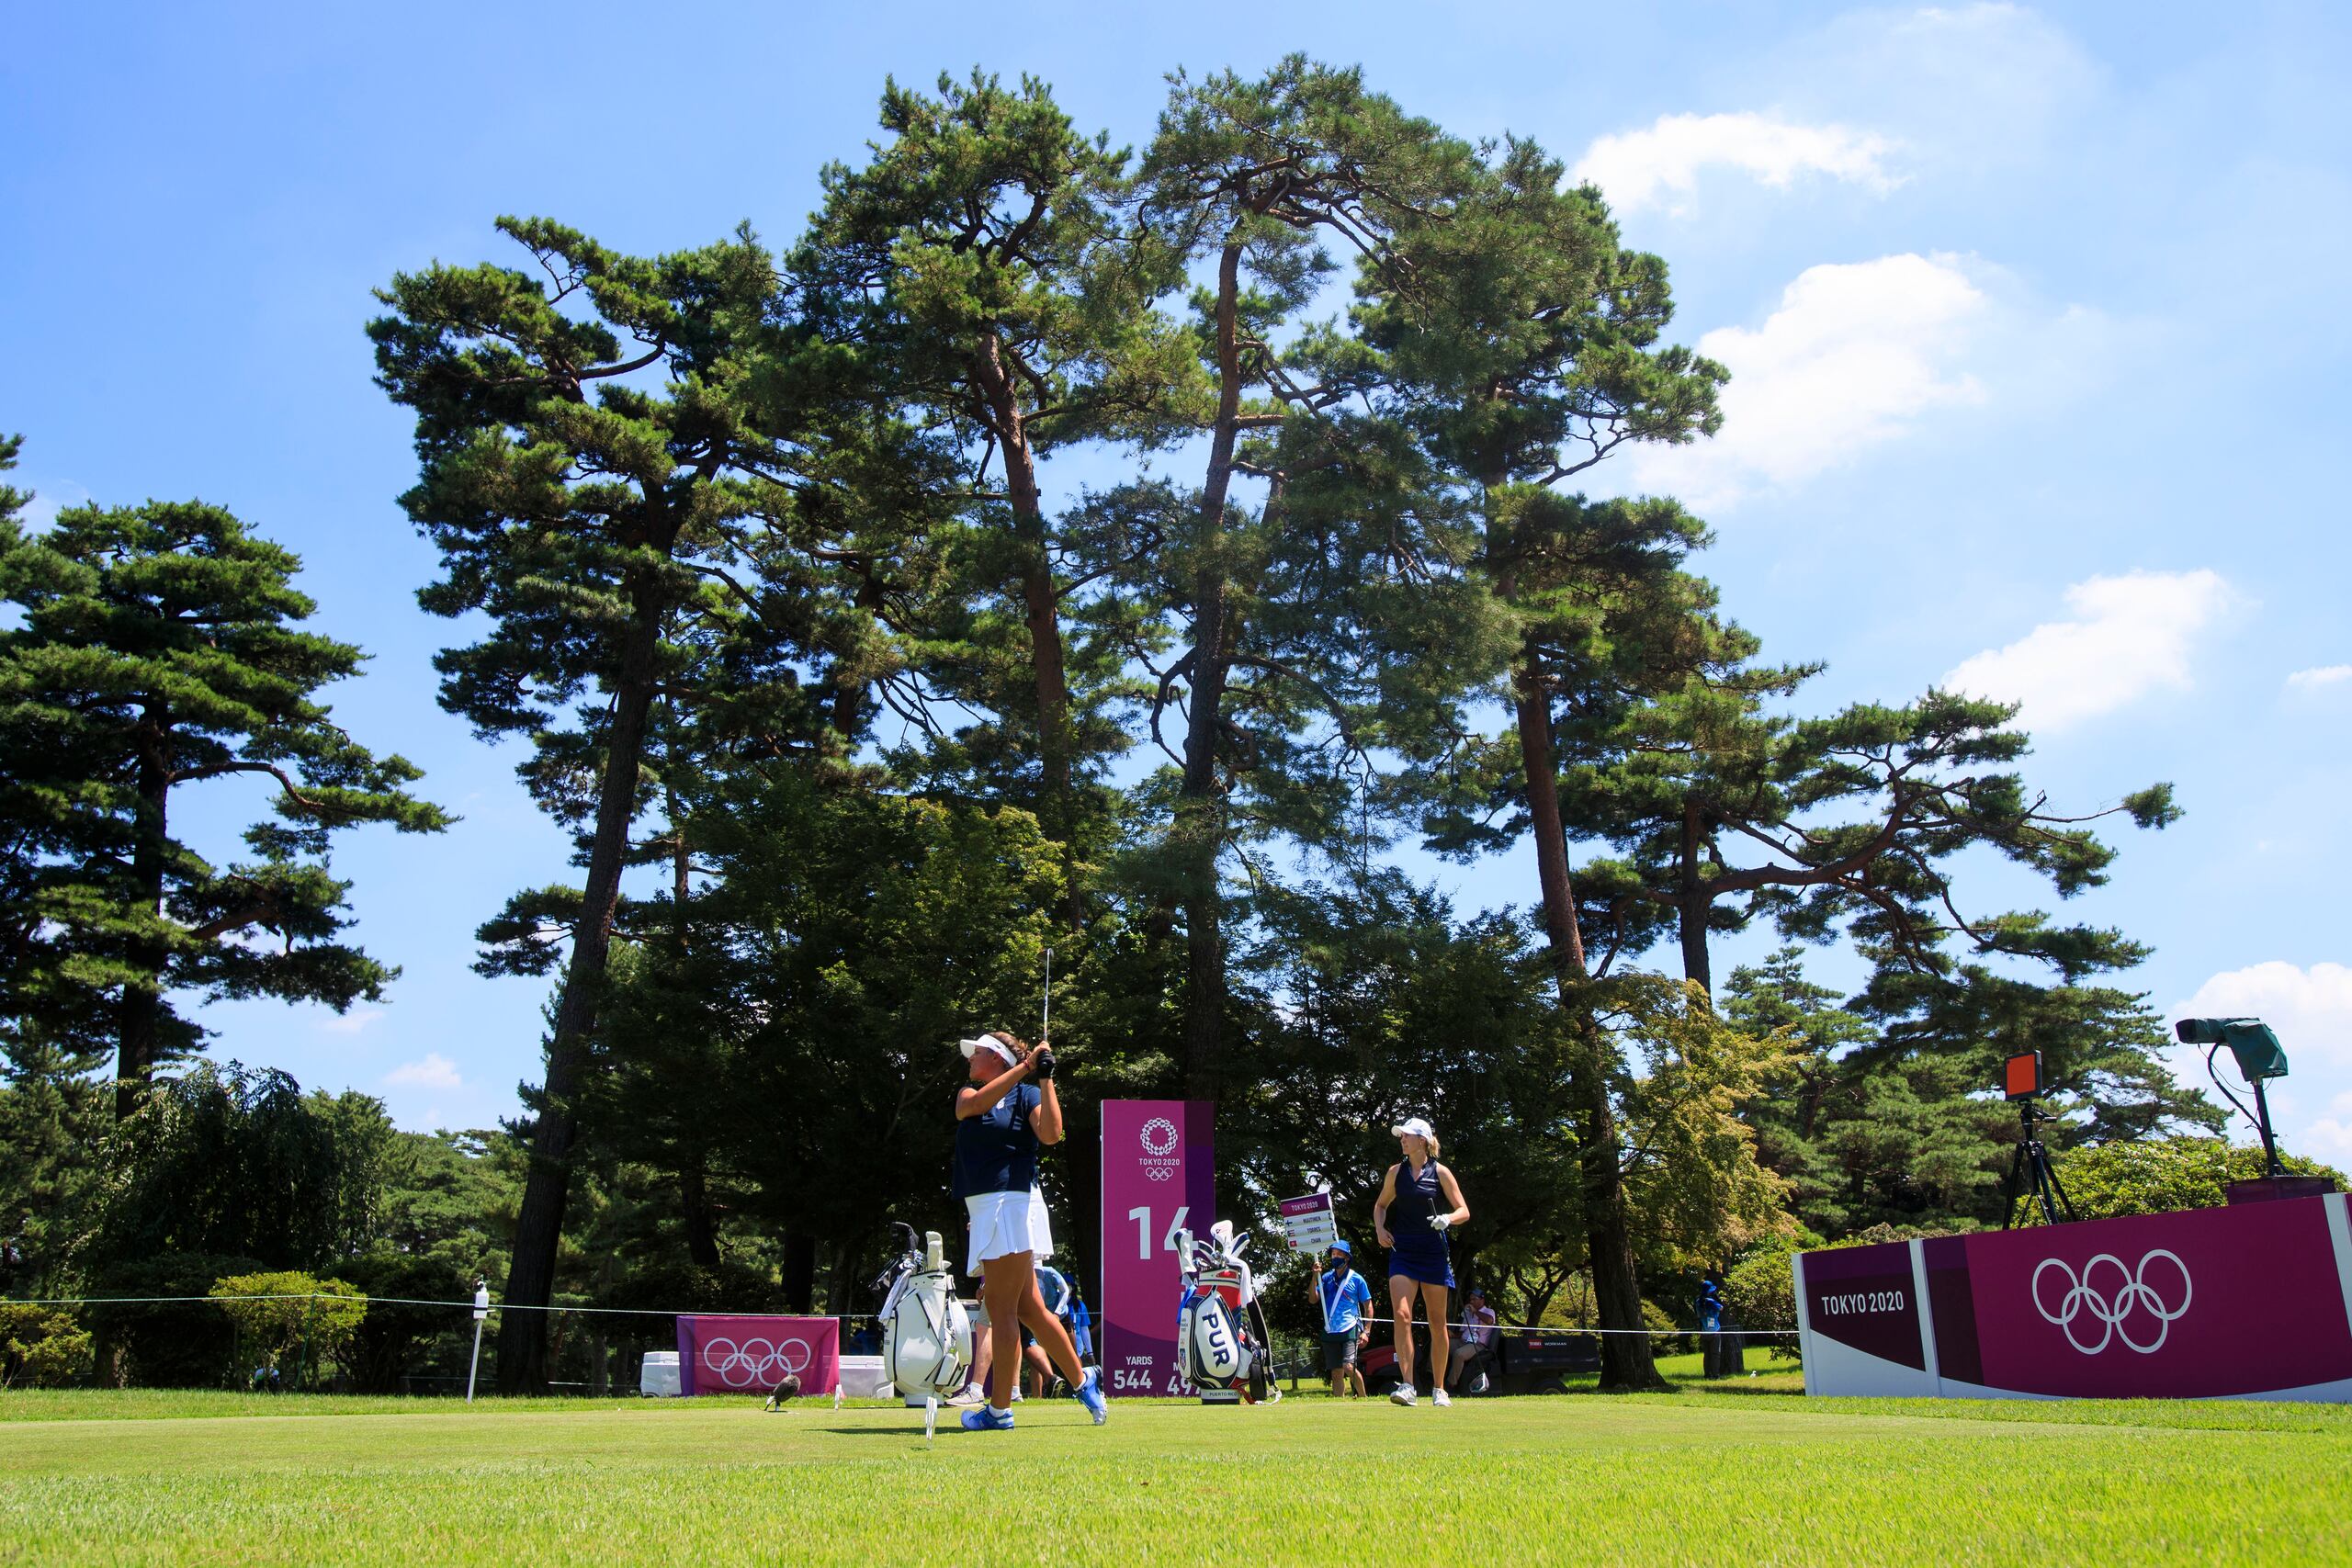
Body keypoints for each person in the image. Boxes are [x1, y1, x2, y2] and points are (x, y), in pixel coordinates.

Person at [952, 1029, 1108, 1430]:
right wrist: (1025, 1068)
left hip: (1013, 1205)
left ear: (998, 1058)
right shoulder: (969, 1094)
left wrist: (1044, 1076)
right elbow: (970, 1108)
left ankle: (1000, 1410)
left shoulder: (1027, 1095)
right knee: (1029, 1309)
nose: (970, 1058)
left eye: (978, 1053)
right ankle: (1083, 1378)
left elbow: (1052, 1134)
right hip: (990, 1207)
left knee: (1003, 1311)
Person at [1372, 1115, 1470, 1408]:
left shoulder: (1441, 1172)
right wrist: (1380, 1229)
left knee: (1437, 1322)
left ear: (1423, 1141)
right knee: (1402, 1315)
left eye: (1408, 1136)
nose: (1402, 1139)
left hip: (1433, 1253)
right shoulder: (1394, 1173)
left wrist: (1447, 1219)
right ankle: (1408, 1385)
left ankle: (1440, 1389)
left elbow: (1464, 1210)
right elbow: (1380, 1205)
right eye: (1401, 1135)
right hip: (1403, 1251)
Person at [1311, 1238, 1374, 1397]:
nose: (1335, 1257)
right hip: (1331, 1329)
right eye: (1333, 1254)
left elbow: (1368, 1306)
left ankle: (1363, 1398)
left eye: (1339, 1254)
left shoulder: (1357, 1279)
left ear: (1347, 1258)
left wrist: (1366, 1331)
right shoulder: (1325, 1278)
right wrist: (1314, 1277)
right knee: (1336, 1372)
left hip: (1350, 1327)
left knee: (1349, 1366)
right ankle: (1339, 1404)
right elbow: (1313, 1299)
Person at [1447, 1285, 1498, 1394]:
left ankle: (1451, 1384)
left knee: (1459, 1354)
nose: (1471, 1301)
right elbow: (1461, 1333)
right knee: (1441, 1344)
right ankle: (1430, 1374)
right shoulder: (1468, 1313)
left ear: (1482, 1300)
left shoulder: (1489, 1312)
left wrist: (1475, 1312)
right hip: (1463, 1341)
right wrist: (1451, 1335)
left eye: (1474, 1299)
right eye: (1470, 1299)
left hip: (1477, 1345)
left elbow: (1490, 1321)